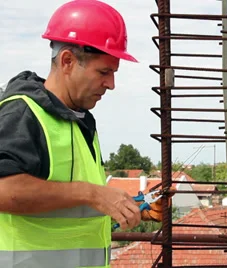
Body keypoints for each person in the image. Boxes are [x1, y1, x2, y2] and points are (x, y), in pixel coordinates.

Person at [0, 1, 162, 267]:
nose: (111, 84)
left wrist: (126, 206)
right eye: (104, 72)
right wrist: (94, 194)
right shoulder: (22, 113)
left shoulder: (80, 122)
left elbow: (65, 208)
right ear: (67, 61)